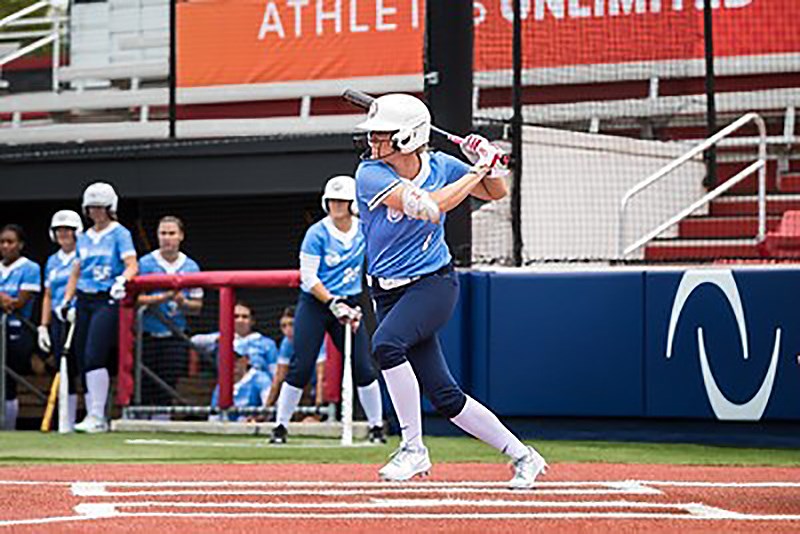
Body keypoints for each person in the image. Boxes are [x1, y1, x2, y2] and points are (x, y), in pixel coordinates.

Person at [353, 93, 547, 488]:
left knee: (386, 346)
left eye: (382, 137)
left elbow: (497, 192)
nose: (373, 145)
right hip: (386, 291)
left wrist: (490, 163)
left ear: (408, 138)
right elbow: (427, 207)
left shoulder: (441, 165)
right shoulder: (370, 174)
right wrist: (478, 170)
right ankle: (524, 456)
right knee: (445, 396)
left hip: (433, 284)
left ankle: (412, 449)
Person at [270, 175, 384, 445]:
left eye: (342, 201)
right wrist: (333, 303)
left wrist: (358, 304)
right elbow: (308, 278)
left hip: (351, 302)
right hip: (318, 304)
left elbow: (373, 265)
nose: (336, 206)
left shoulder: (364, 229)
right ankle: (280, 427)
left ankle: (377, 427)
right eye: (332, 200)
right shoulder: (316, 234)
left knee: (363, 365)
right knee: (302, 364)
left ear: (353, 204)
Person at [61, 182, 139, 433]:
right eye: (91, 207)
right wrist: (67, 300)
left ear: (110, 208)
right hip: (84, 298)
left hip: (107, 298)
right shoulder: (83, 237)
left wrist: (122, 280)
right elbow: (77, 270)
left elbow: (131, 263)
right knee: (83, 356)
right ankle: (91, 412)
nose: (96, 212)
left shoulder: (120, 233)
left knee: (95, 353)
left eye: (100, 207)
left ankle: (97, 414)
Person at [137, 216, 203, 412]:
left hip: (175, 333)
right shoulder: (145, 263)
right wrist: (163, 297)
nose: (167, 238)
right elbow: (135, 300)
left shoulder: (191, 267)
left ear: (181, 236)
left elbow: (197, 306)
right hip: (147, 334)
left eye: (171, 233)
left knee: (168, 381)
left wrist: (182, 301)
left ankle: (162, 419)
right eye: (163, 233)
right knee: (145, 382)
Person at [191, 301, 278, 418]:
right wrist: (221, 337)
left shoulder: (267, 343)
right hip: (228, 383)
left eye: (245, 317)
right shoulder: (223, 338)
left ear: (252, 321)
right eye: (236, 316)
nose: (240, 320)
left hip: (258, 389)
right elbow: (194, 341)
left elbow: (275, 373)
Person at [38, 210, 83, 430]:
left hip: (78, 317)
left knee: (81, 365)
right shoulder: (52, 261)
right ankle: (66, 421)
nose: (63, 234)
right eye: (59, 230)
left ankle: (91, 417)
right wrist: (43, 326)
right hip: (58, 320)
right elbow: (47, 294)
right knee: (63, 368)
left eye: (68, 230)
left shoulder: (83, 255)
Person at [0, 224, 41, 430]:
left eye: (10, 242)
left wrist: (6, 300)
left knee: (8, 381)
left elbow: (19, 302)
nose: (6, 246)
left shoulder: (30, 268)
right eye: (2, 242)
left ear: (20, 244)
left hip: (17, 329)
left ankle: (8, 427)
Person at [265, 306, 328, 412]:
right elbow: (279, 378)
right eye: (283, 326)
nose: (287, 330)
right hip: (302, 387)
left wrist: (318, 409)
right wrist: (266, 409)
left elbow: (321, 377)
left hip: (319, 388)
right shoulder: (286, 343)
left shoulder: (318, 339)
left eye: (291, 325)